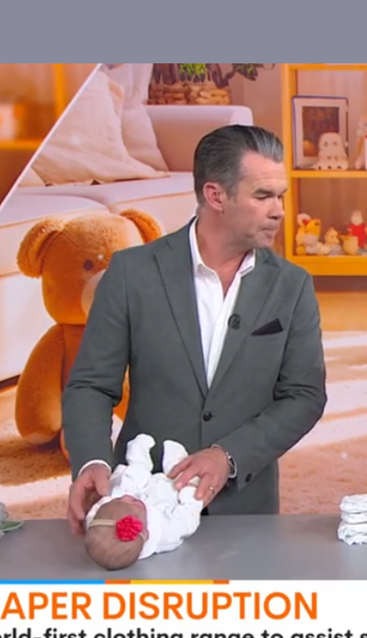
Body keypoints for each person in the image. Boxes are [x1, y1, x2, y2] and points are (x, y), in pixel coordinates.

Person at [63, 125, 328, 535]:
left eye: (281, 196)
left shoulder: (292, 286)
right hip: (142, 500)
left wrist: (228, 456)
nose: (278, 211)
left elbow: (304, 395)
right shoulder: (132, 274)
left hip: (245, 508)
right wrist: (92, 461)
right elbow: (91, 385)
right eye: (263, 196)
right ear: (215, 195)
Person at [83, 434, 204, 571]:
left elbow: (95, 516)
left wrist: (110, 500)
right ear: (145, 533)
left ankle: (138, 456)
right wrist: (189, 493)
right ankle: (177, 459)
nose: (126, 498)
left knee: (127, 481)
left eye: (120, 501)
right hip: (168, 494)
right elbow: (188, 516)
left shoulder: (102, 527)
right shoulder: (167, 533)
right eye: (133, 504)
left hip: (140, 488)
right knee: (183, 478)